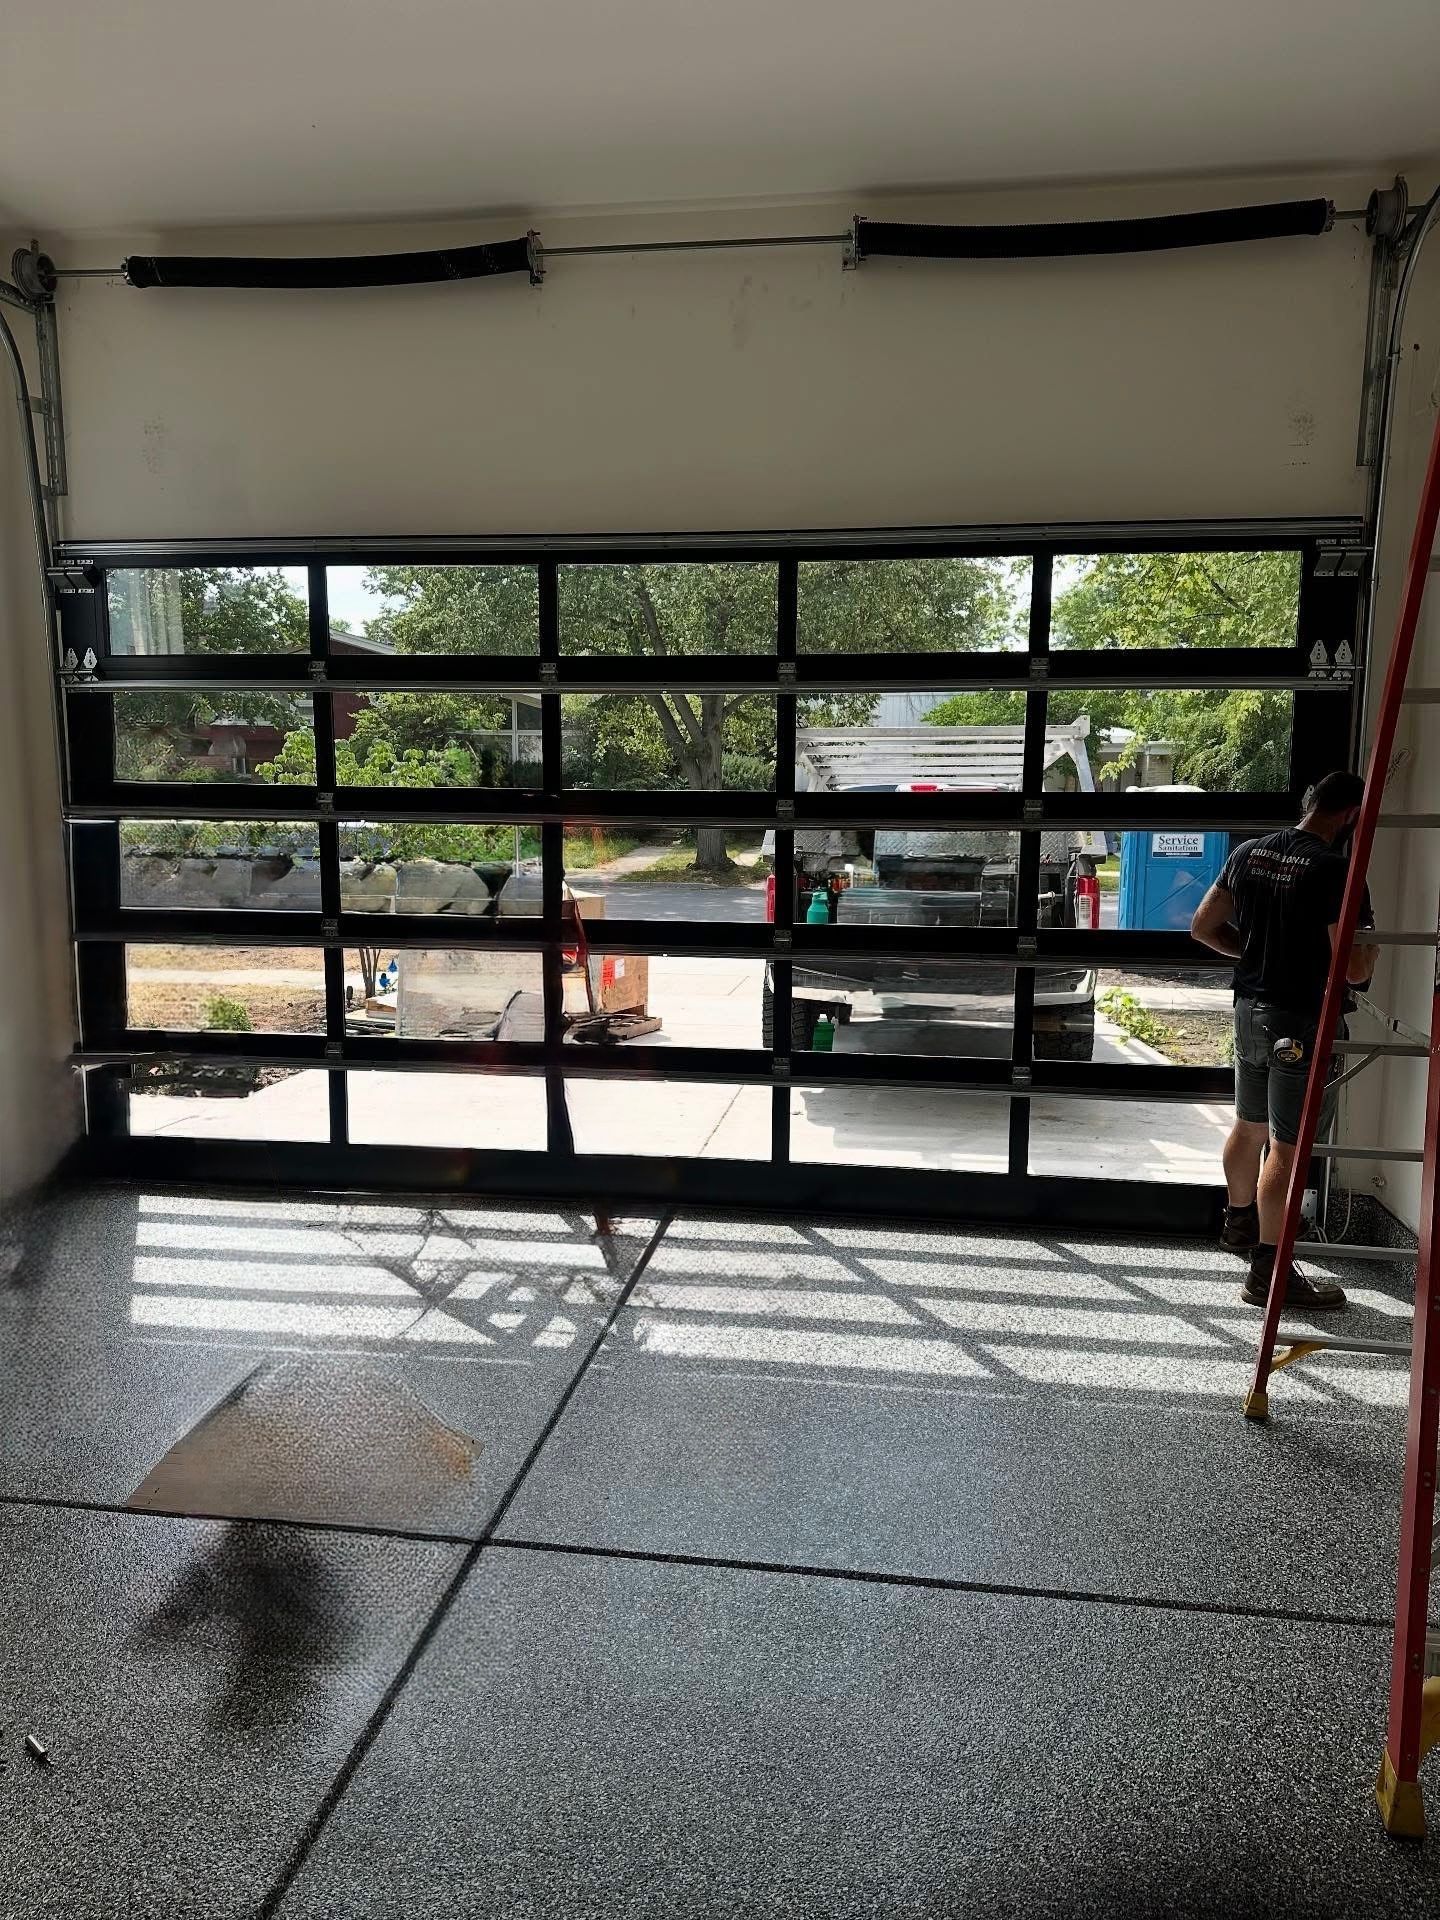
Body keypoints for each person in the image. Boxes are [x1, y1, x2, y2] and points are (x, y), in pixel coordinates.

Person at [1189, 770, 1376, 1310]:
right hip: (1301, 1019)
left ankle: (1240, 1223)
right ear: (1349, 816)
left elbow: (1202, 926)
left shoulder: (1249, 853)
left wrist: (1249, 953)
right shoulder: (1336, 871)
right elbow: (1354, 968)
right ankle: (1271, 1274)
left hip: (1250, 1011)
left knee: (1248, 1127)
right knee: (1287, 1148)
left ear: (1309, 803)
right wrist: (1373, 954)